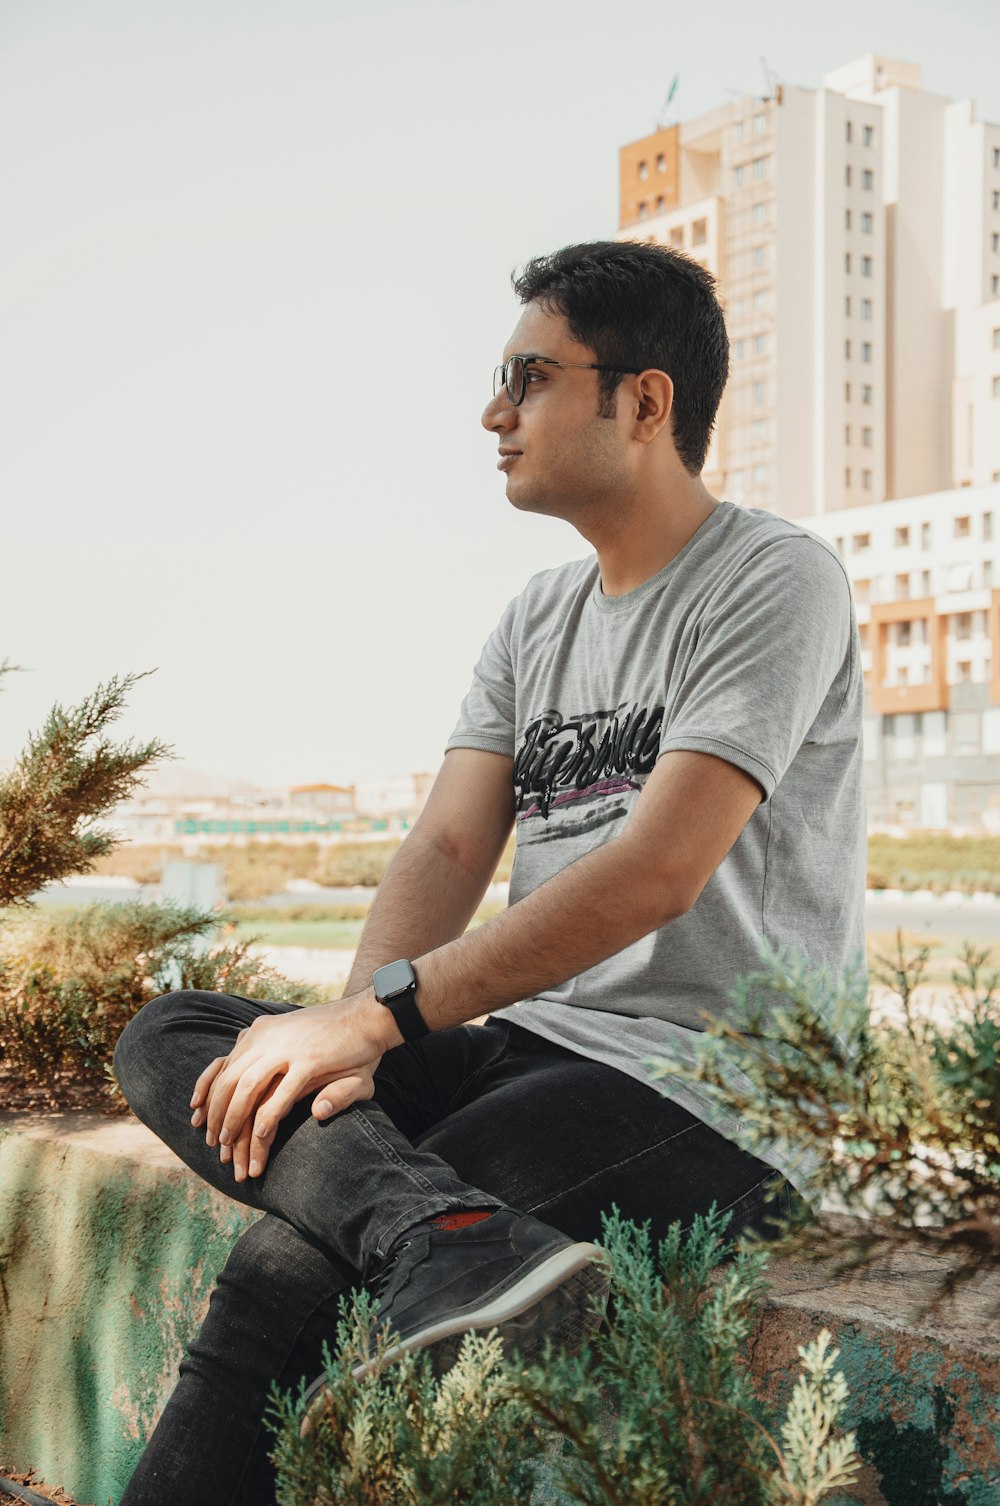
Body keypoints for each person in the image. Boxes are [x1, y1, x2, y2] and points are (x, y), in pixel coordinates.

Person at [113, 239, 866, 1506]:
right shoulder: (536, 614)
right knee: (175, 1035)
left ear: (643, 400)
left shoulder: (772, 579)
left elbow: (655, 874)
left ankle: (436, 1234)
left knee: (285, 1272)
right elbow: (449, 847)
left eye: (528, 375)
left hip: (713, 1087)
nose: (492, 412)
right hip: (523, 1035)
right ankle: (438, 1233)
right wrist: (352, 1052)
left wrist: (372, 1021)